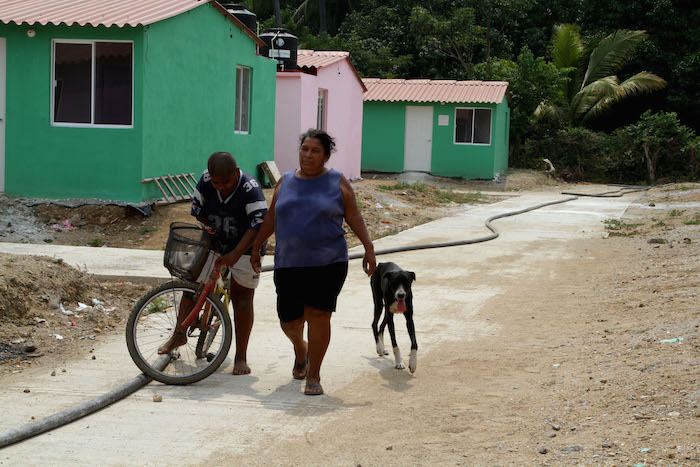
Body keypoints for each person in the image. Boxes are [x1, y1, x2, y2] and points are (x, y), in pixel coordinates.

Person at [250, 129, 376, 395]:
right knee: (289, 320)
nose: (308, 155)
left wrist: (369, 248)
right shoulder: (285, 181)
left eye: (315, 151)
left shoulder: (337, 181)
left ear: (326, 156)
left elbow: (354, 216)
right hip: (289, 262)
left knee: (318, 315)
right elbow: (272, 217)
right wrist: (257, 245)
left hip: (328, 262)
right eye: (304, 149)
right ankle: (300, 348)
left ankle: (314, 375)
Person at [158, 152, 267, 376]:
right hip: (215, 241)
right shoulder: (205, 181)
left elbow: (258, 225)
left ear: (236, 173)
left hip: (247, 247)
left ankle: (241, 356)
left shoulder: (251, 188)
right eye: (217, 183)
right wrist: (211, 236)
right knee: (191, 287)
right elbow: (199, 213)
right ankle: (178, 335)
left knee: (242, 299)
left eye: (226, 182)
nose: (221, 187)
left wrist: (236, 253)